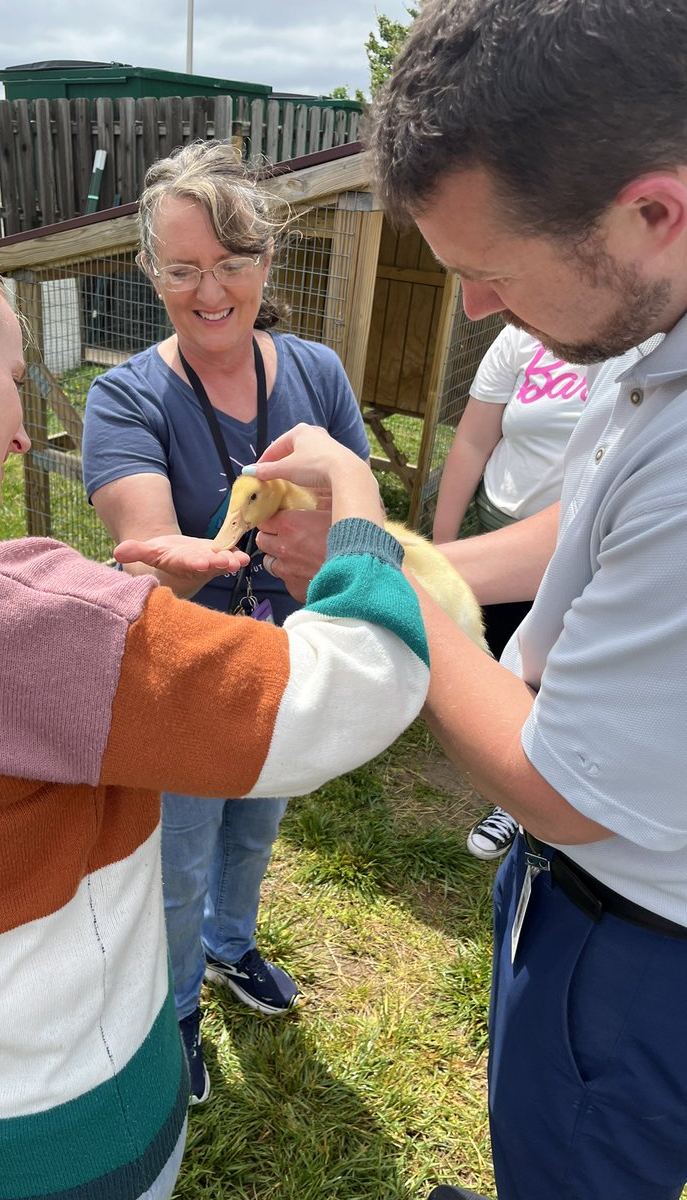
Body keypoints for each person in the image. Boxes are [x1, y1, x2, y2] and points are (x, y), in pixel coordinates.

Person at [0, 113, 432, 1200]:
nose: (20, 429)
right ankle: (187, 1002)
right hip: (69, 1126)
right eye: (13, 383)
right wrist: (361, 506)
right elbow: (358, 690)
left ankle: (228, 946)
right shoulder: (23, 616)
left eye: (233, 262)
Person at [363, 2, 687, 1197]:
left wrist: (375, 582)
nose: (479, 310)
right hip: (610, 893)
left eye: (487, 271)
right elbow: (594, 525)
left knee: (578, 1162)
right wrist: (415, 554)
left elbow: (557, 785)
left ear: (652, 212)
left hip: (638, 930)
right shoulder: (651, 332)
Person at [82, 139, 372, 1105]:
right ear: (150, 272)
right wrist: (174, 557)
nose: (211, 291)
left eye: (233, 263)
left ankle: (229, 945)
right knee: (178, 854)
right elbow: (145, 529)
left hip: (286, 663)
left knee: (254, 829)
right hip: (188, 669)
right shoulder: (126, 396)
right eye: (183, 269)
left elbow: (354, 502)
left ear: (266, 262)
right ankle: (171, 1015)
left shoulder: (318, 372)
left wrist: (338, 543)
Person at [432, 326, 594, 860]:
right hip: (501, 527)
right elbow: (475, 438)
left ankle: (520, 801)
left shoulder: (634, 349)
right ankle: (506, 765)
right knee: (499, 660)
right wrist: (440, 548)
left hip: (582, 549)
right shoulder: (517, 340)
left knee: (554, 673)